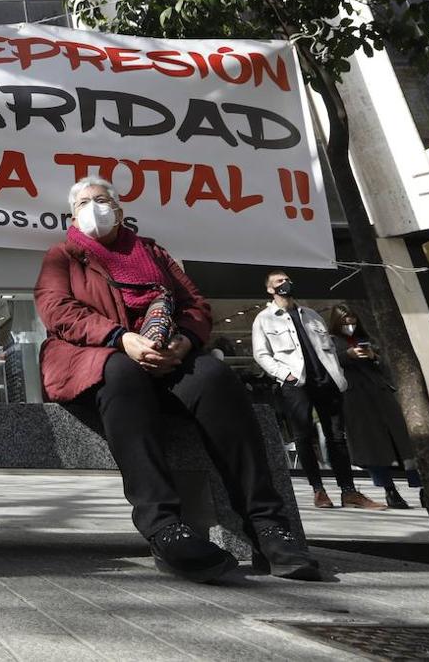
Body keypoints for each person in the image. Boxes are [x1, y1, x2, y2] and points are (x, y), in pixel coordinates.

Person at [35, 177, 320, 583]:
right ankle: (164, 527)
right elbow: (57, 310)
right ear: (72, 215)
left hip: (169, 354)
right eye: (84, 202)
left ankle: (267, 526)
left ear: (118, 210)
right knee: (120, 372)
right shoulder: (62, 256)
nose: (94, 207)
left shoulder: (152, 251)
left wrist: (185, 341)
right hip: (99, 358)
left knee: (216, 377)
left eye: (101, 200)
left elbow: (193, 304)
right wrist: (121, 338)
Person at [252, 271, 385, 511]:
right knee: (304, 437)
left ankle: (348, 491)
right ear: (270, 289)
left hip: (327, 381)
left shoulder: (311, 315)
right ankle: (318, 490)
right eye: (279, 282)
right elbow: (261, 354)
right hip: (296, 384)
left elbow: (330, 350)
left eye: (287, 280)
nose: (285, 284)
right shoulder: (264, 319)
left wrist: (338, 376)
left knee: (337, 437)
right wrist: (285, 375)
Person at [326, 305, 419, 509]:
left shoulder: (366, 340)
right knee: (373, 445)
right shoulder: (332, 342)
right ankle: (390, 489)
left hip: (380, 393)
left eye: (352, 322)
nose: (349, 326)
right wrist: (347, 356)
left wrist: (374, 357)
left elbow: (386, 365)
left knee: (403, 441)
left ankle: (423, 486)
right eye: (345, 323)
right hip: (356, 398)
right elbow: (328, 364)